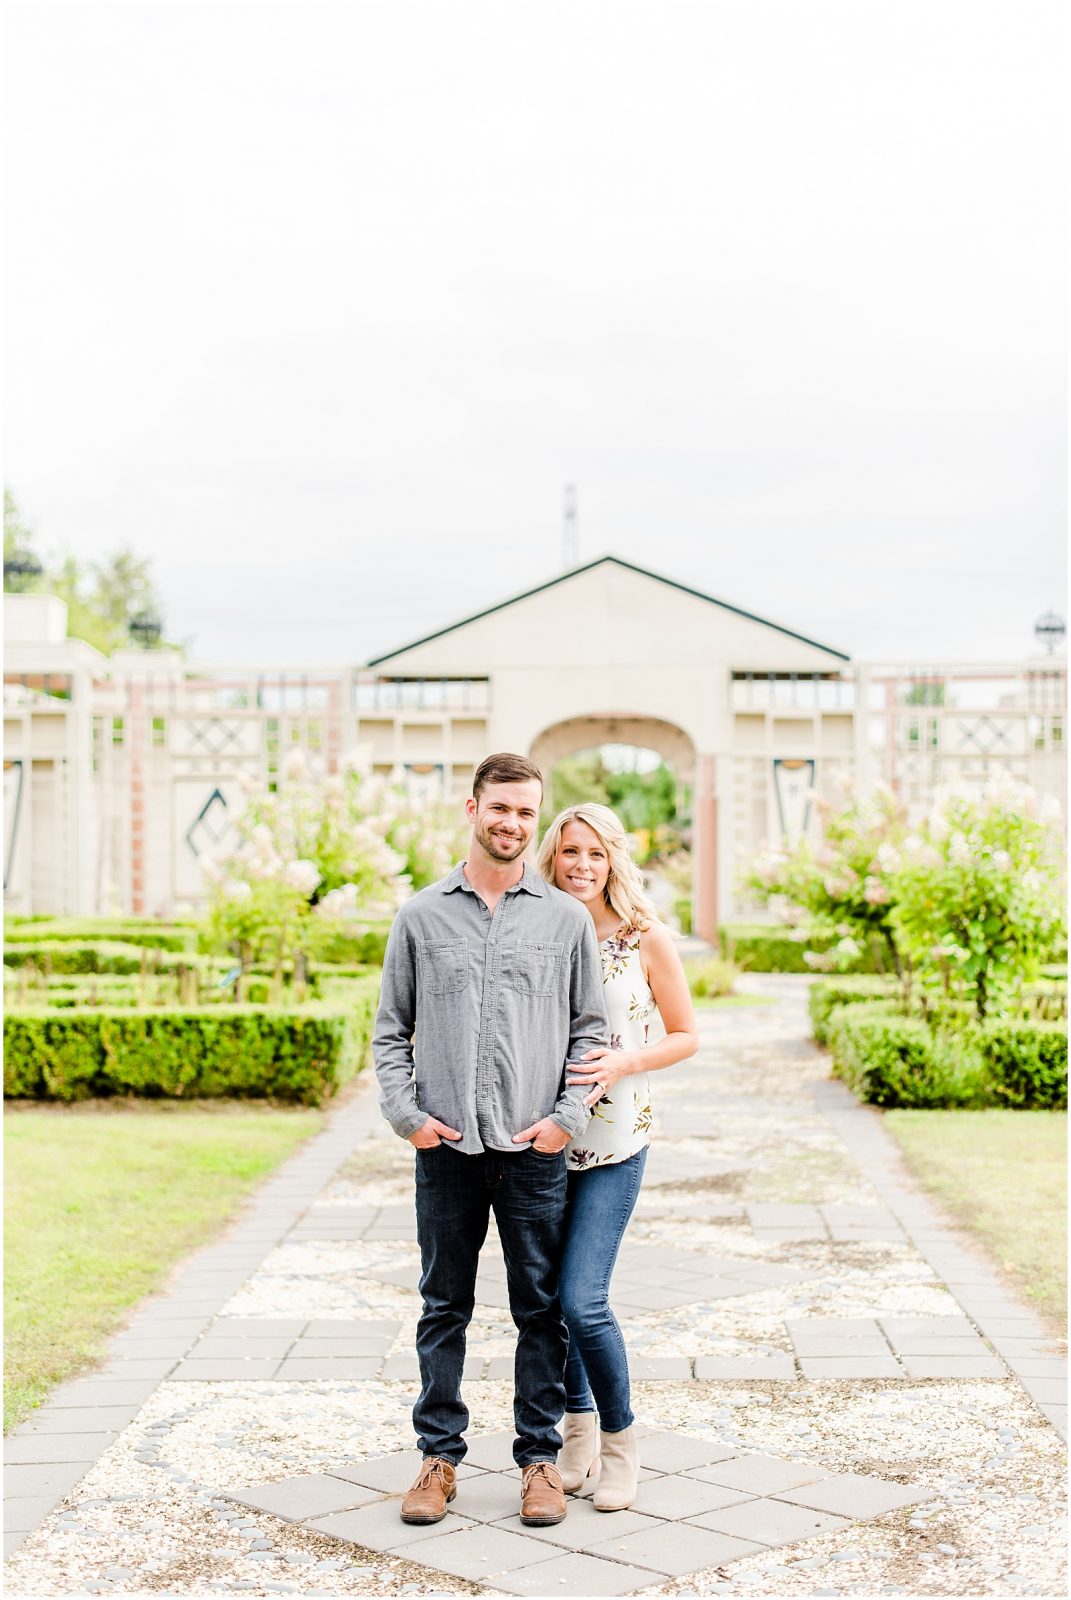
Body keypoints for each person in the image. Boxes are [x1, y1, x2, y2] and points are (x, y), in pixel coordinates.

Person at [372, 753, 609, 1530]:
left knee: (539, 1309)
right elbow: (390, 1033)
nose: (512, 823)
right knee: (443, 1306)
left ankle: (538, 1462)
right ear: (471, 809)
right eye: (499, 808)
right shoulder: (420, 916)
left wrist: (564, 1121)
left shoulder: (565, 920)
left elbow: (590, 1032)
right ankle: (437, 1457)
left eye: (525, 813)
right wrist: (407, 1117)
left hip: (531, 1152)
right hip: (444, 1152)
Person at [536, 803, 699, 1511]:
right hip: (541, 1143)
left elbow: (686, 1034)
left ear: (612, 861)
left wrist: (625, 1060)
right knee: (549, 1305)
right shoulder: (535, 927)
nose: (580, 865)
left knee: (583, 1300)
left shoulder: (643, 937)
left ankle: (620, 1444)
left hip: (614, 1144)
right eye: (570, 851)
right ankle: (573, 1441)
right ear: (553, 856)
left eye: (595, 854)